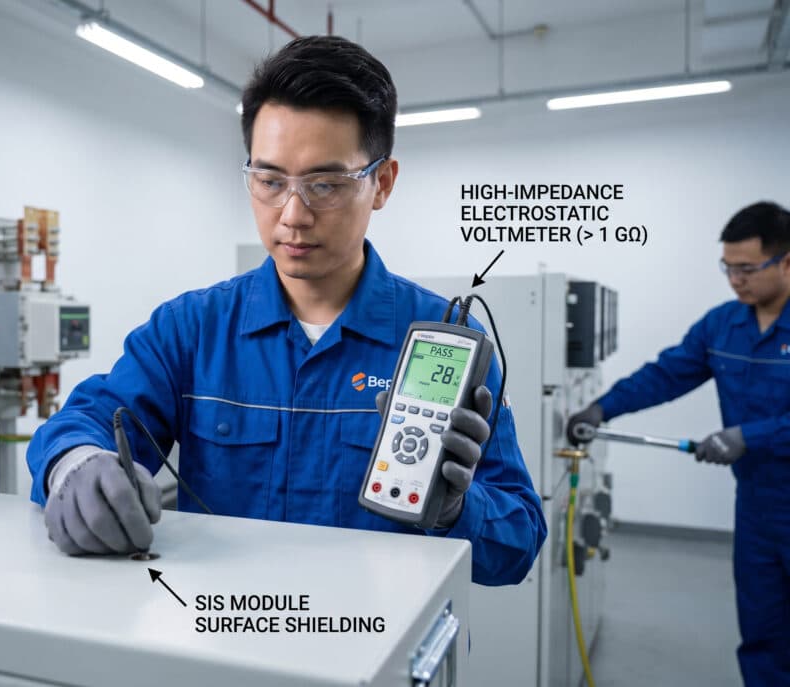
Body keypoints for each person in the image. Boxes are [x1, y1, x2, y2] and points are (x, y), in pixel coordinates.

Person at [27, 35, 546, 586]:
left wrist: (454, 509)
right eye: (270, 181)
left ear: (382, 184)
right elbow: (89, 419)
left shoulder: (448, 344)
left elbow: (518, 543)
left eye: (325, 184)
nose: (292, 215)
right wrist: (78, 463)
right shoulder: (191, 329)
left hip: (377, 650)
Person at [566, 201, 790, 685]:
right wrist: (602, 408)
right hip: (756, 504)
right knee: (762, 626)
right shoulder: (724, 324)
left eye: (747, 269)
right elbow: (667, 374)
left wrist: (749, 436)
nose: (735, 280)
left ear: (786, 261)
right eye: (728, 268)